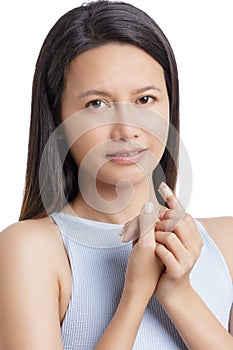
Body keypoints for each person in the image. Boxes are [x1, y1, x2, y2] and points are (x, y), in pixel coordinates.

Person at [0, 1, 232, 349]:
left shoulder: (223, 243)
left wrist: (179, 293)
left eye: (145, 99)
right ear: (59, 118)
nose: (127, 129)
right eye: (97, 104)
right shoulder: (30, 251)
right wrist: (134, 297)